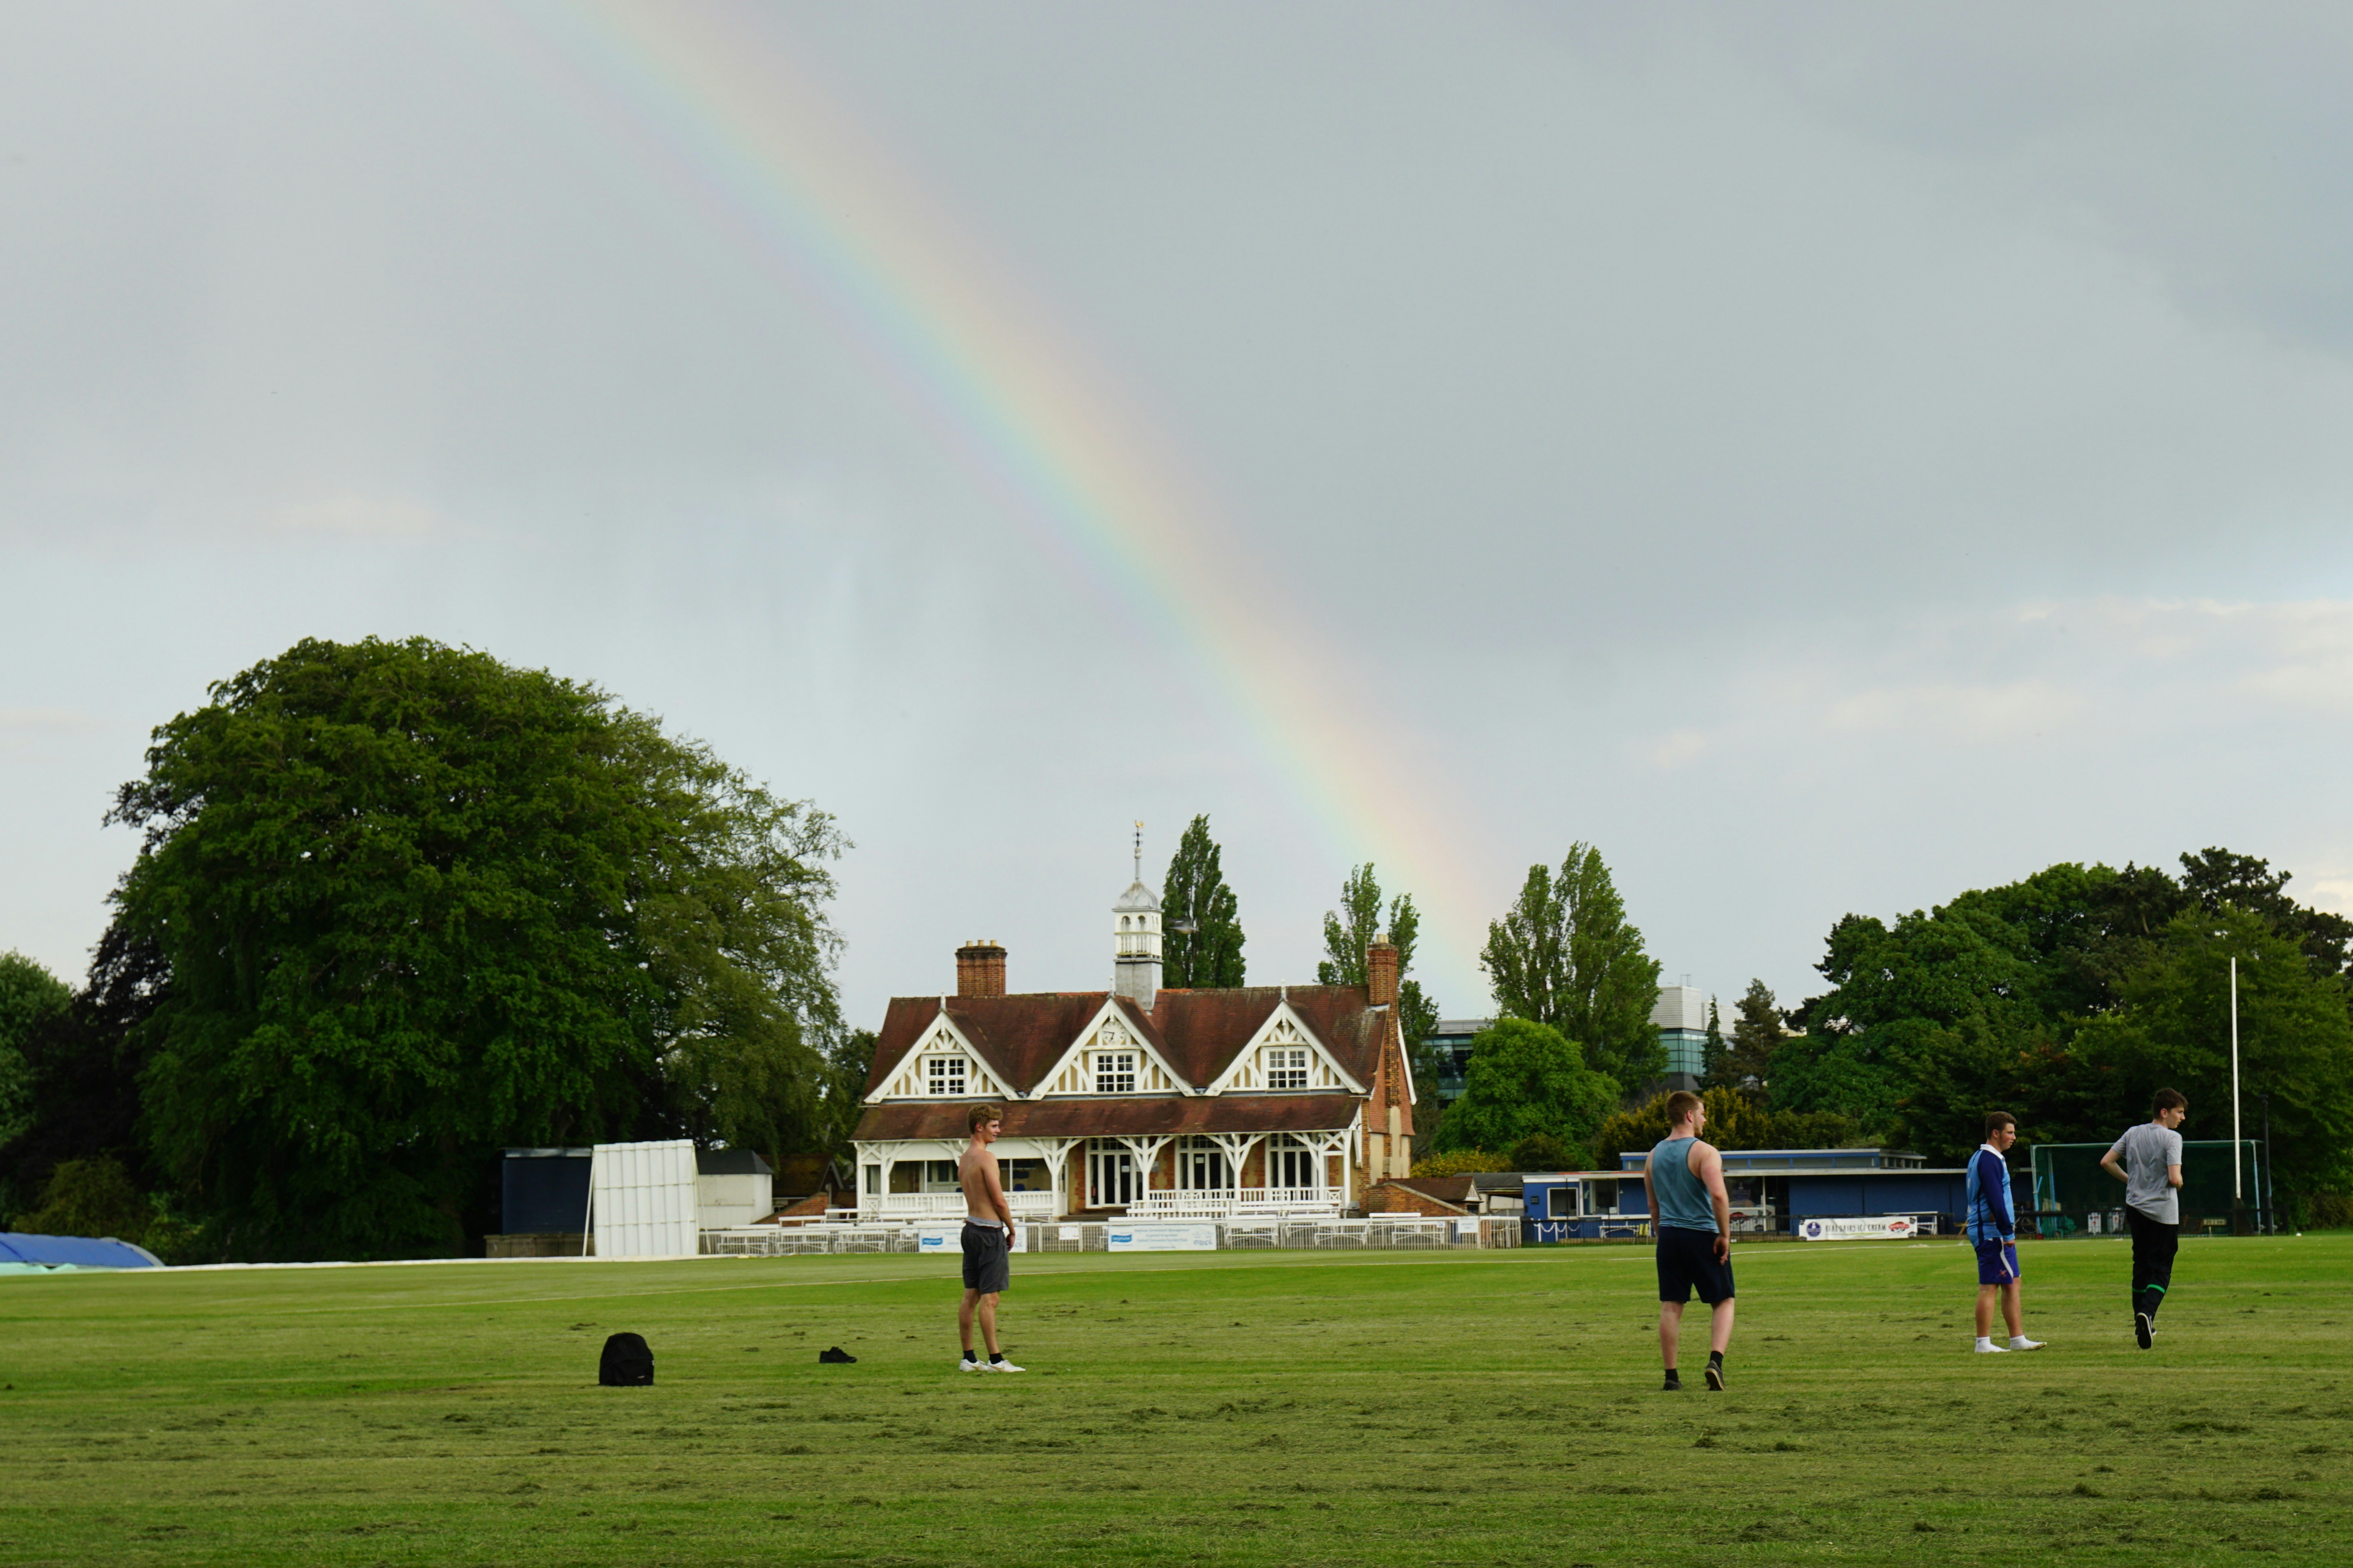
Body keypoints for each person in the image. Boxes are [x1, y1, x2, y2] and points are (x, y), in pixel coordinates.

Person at [1643, 1089, 1736, 1391]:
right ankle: (1715, 1363)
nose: (1705, 1119)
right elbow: (1719, 1196)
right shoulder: (1704, 1152)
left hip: (1669, 1236)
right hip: (1702, 1235)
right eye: (1703, 1113)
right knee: (1723, 1301)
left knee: (1671, 1306)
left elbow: (1653, 1207)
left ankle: (1671, 1377)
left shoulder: (1653, 1156)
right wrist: (1724, 1235)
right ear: (1689, 1116)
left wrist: (1663, 1236)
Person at [2101, 1088, 2188, 1350]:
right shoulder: (2172, 1138)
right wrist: (2181, 1183)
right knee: (2162, 1267)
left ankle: (2141, 1323)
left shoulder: (2133, 1133)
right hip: (2163, 1213)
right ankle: (2148, 1314)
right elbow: (2174, 1178)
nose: (2182, 1118)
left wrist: (2131, 1181)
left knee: (2141, 1265)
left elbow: (2106, 1162)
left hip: (2136, 1209)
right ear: (2165, 1113)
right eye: (2179, 1112)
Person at [1965, 1112, 2043, 1353]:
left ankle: (2017, 1339)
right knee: (1990, 1286)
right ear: (1996, 1133)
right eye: (2010, 1132)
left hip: (1992, 1229)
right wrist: (2007, 1231)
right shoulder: (1989, 1160)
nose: (2014, 1137)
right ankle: (1983, 1343)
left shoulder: (1988, 1158)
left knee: (2013, 1283)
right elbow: (1995, 1198)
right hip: (1992, 1231)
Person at [956, 1104, 1023, 1372]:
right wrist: (1011, 1228)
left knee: (970, 1296)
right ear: (979, 1127)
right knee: (990, 1298)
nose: (999, 1130)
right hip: (988, 1232)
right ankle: (996, 1361)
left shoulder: (964, 1159)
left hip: (970, 1230)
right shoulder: (987, 1158)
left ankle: (969, 1359)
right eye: (994, 1126)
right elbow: (998, 1200)